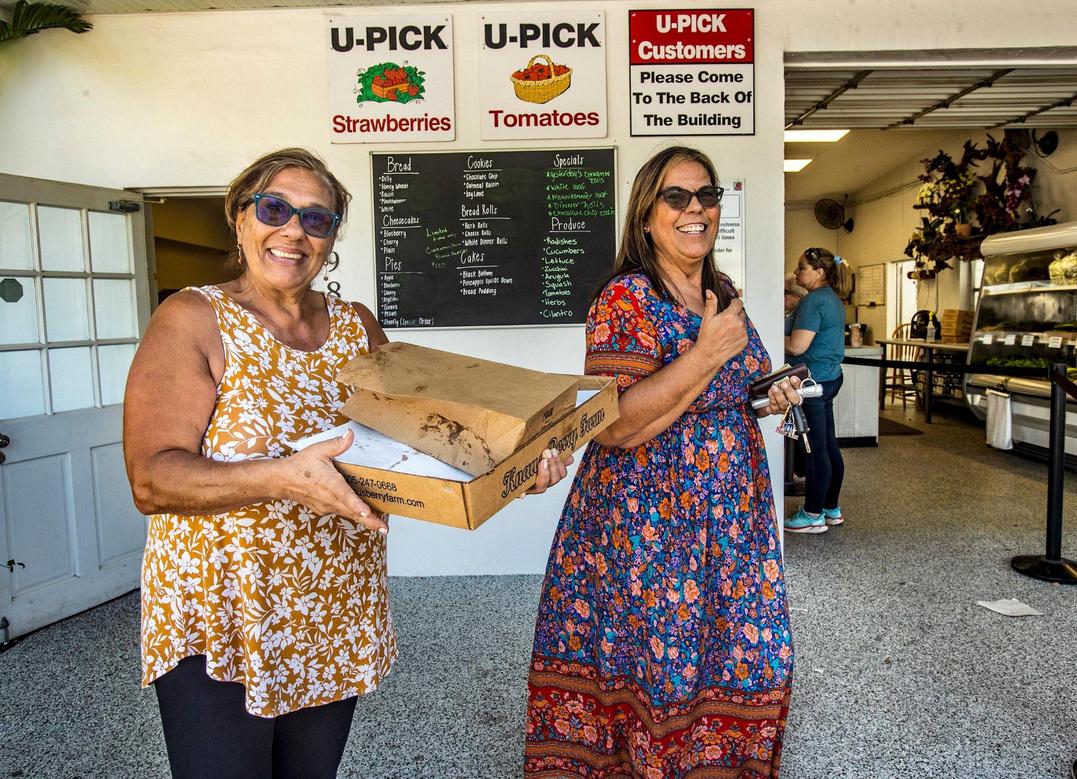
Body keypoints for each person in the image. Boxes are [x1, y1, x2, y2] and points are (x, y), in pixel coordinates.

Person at [123, 148, 570, 778]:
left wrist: (505, 474)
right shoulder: (193, 319)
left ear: (331, 237)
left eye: (317, 219)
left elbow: (414, 440)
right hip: (227, 612)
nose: (293, 232)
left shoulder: (357, 325)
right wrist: (281, 476)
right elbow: (152, 477)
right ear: (239, 216)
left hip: (332, 607)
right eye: (274, 208)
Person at [524, 146, 802, 777]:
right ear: (647, 213)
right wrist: (705, 355)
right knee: (657, 661)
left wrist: (769, 397)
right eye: (677, 197)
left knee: (743, 653)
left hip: (732, 518)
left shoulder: (721, 291)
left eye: (706, 196)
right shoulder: (625, 298)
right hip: (651, 520)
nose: (695, 209)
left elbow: (738, 391)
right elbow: (617, 427)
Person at [784, 247, 850, 534]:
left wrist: (769, 333)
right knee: (828, 445)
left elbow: (798, 346)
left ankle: (812, 513)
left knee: (815, 450)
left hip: (811, 383)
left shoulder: (814, 301)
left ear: (819, 272)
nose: (797, 272)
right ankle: (830, 507)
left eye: (802, 267)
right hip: (829, 379)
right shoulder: (832, 299)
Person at [783, 275, 809, 496]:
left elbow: (796, 347)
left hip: (799, 382)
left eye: (785, 293)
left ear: (796, 296)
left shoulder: (803, 314)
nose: (782, 298)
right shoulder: (793, 314)